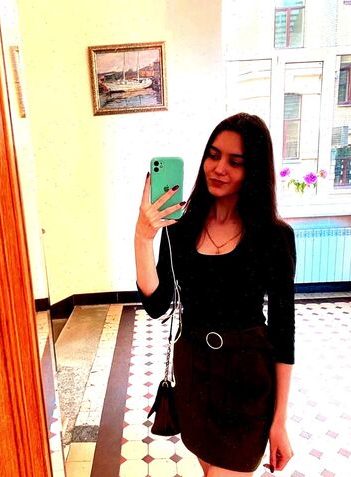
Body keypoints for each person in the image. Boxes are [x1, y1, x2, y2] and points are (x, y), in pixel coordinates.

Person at [134, 113, 296, 477]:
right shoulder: (180, 228)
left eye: (235, 162)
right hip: (193, 375)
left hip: (247, 383)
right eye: (213, 155)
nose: (219, 168)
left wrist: (279, 422)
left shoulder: (274, 237)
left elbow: (283, 334)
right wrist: (143, 237)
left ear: (253, 171)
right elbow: (157, 305)